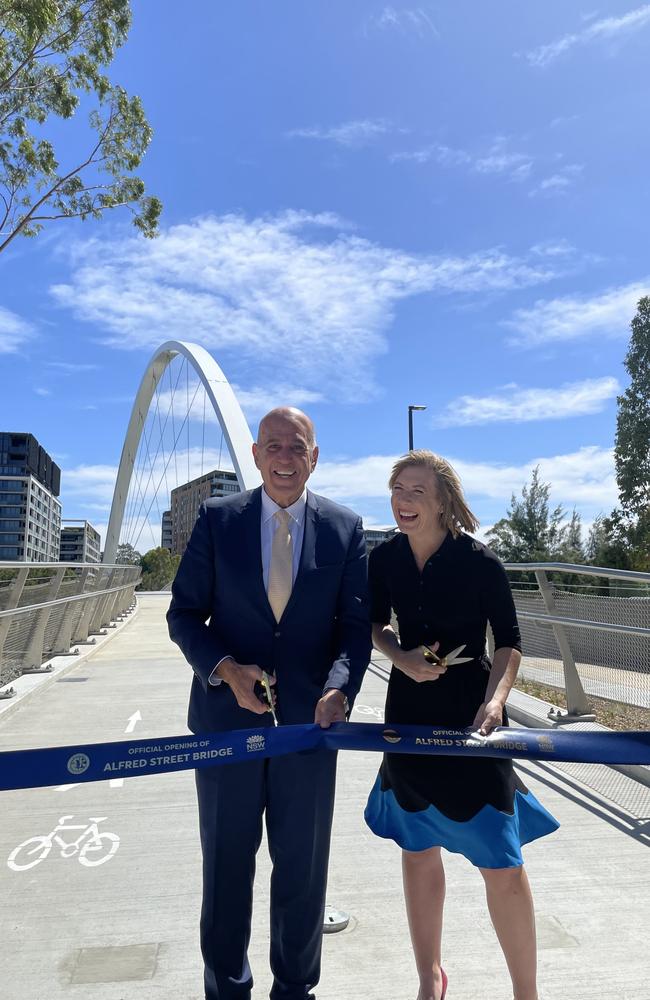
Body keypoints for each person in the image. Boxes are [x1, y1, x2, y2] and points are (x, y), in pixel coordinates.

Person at [167, 406, 371, 1000]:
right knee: (227, 865)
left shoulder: (345, 527)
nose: (285, 457)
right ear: (255, 455)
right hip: (225, 725)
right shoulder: (217, 519)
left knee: (303, 871)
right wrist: (226, 670)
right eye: (274, 446)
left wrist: (339, 689)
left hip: (310, 729)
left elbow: (354, 630)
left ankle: (295, 987)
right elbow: (184, 615)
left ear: (315, 456)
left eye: (297, 447)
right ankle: (226, 987)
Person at [364, 451, 559, 1000]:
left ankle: (527, 993)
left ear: (444, 501)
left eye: (417, 491)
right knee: (417, 848)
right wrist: (400, 658)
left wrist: (496, 703)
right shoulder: (384, 561)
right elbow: (376, 627)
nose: (404, 500)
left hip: (471, 720)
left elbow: (510, 644)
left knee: (501, 862)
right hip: (407, 714)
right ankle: (430, 979)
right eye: (398, 489)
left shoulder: (481, 563)